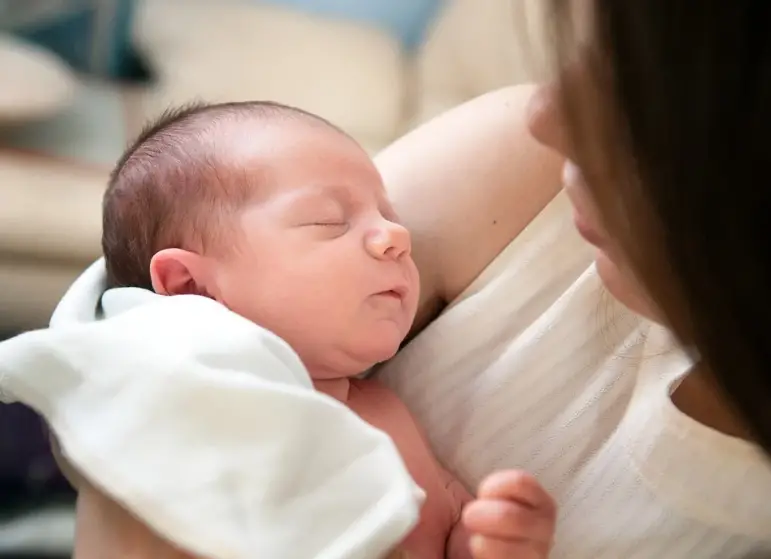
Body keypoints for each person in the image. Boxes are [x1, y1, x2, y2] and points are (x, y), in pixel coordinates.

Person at [56, 1, 771, 557]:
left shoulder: (384, 416)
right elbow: (115, 335)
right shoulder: (519, 176)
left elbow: (449, 525)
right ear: (190, 292)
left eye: (638, 90)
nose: (544, 113)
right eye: (329, 222)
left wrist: (488, 536)